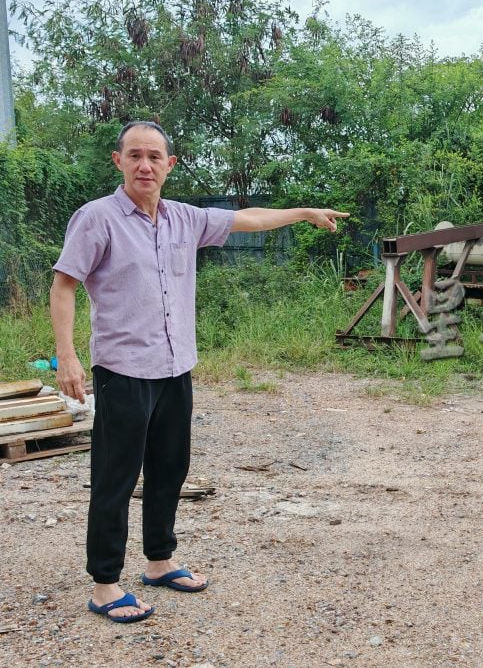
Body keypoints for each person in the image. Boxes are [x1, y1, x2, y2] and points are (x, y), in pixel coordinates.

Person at [50, 120, 349, 623]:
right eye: (135, 155)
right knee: (115, 477)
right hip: (123, 370)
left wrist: (303, 213)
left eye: (155, 157)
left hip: (175, 367)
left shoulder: (183, 218)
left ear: (169, 164)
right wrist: (67, 356)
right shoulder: (97, 218)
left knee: (169, 469)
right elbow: (63, 285)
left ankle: (159, 561)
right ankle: (104, 584)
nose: (145, 165)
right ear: (118, 161)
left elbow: (248, 219)